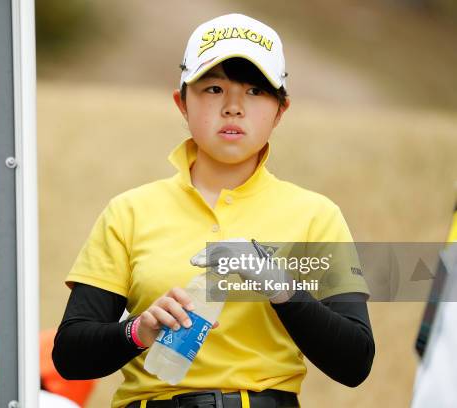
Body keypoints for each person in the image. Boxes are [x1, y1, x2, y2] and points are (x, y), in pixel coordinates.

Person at [53, 13, 374, 408]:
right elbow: (69, 355)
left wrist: (280, 287)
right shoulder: (129, 212)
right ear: (182, 103)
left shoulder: (316, 216)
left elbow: (355, 361)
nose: (234, 107)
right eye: (214, 88)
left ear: (281, 110)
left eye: (256, 91)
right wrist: (139, 330)